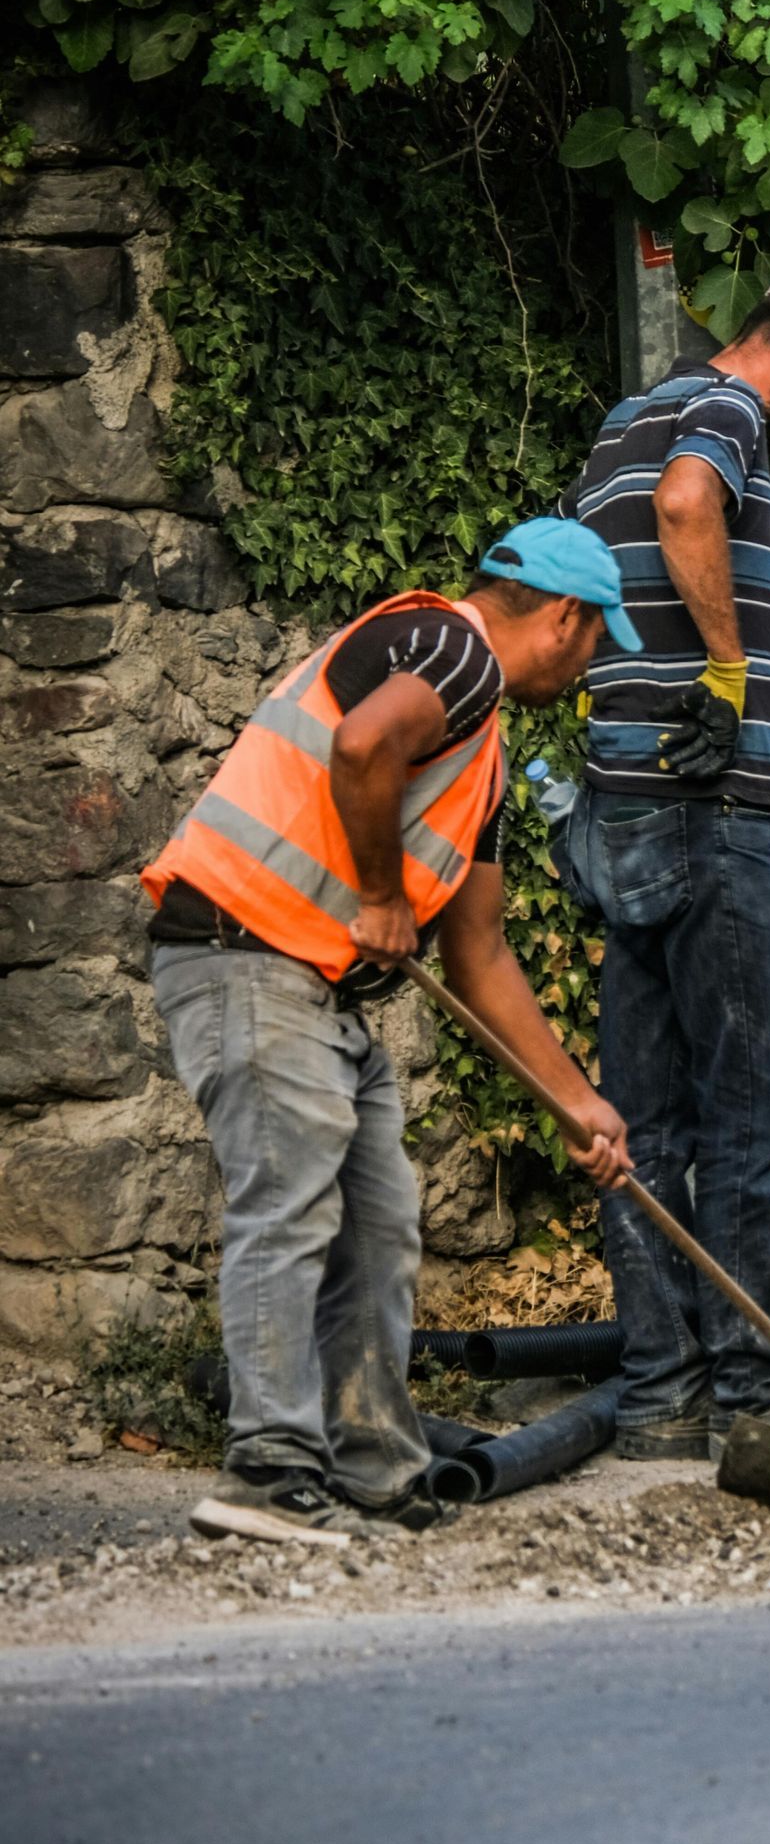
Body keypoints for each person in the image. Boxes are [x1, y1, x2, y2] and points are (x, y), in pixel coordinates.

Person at [142, 521, 635, 1541]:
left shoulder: (482, 759)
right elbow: (359, 745)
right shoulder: (451, 648)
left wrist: (578, 1105)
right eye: (596, 643)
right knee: (289, 1207)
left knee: (378, 1221)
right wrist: (377, 895)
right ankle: (267, 1474)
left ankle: (374, 1466)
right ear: (563, 619)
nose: (590, 668)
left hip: (313, 984)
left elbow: (481, 959)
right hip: (248, 949)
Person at [558, 264, 770, 1465]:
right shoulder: (725, 415)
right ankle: (757, 1387)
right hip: (707, 802)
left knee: (643, 1120)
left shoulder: (625, 418)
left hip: (626, 795)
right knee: (753, 1106)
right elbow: (693, 506)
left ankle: (661, 1396)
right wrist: (724, 668)